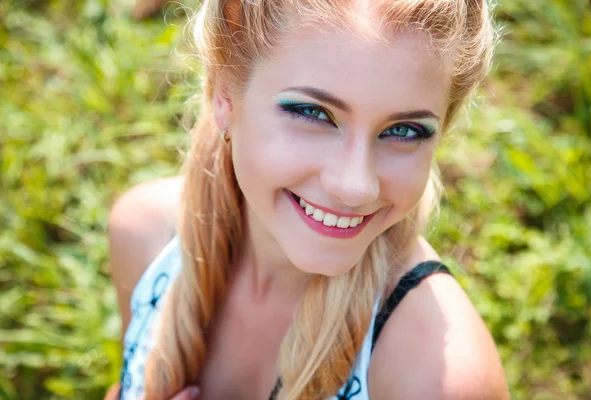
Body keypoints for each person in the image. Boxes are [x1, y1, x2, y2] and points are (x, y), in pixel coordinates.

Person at [106, 0, 510, 399]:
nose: (356, 186)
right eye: (312, 113)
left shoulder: (438, 381)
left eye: (404, 131)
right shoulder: (146, 238)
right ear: (225, 94)